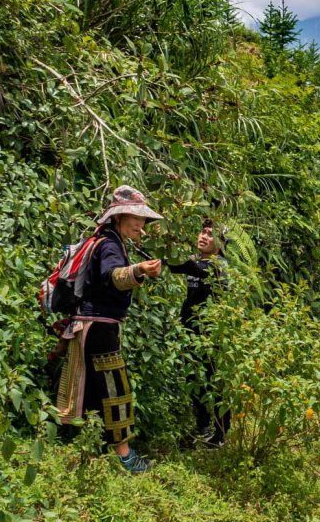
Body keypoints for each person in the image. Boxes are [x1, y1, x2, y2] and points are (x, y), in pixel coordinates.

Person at [55, 185, 163, 474]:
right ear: (117, 217)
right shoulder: (110, 245)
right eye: (133, 216)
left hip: (91, 326)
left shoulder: (106, 240)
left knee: (91, 389)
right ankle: (125, 456)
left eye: (142, 219)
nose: (140, 223)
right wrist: (139, 270)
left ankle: (86, 450)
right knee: (115, 390)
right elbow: (113, 277)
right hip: (99, 327)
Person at [166, 219, 230, 447]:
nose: (203, 237)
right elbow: (174, 266)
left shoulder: (219, 265)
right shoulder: (195, 261)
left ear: (220, 243)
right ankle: (203, 428)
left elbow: (188, 267)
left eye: (210, 234)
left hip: (211, 333)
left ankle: (222, 435)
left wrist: (172, 254)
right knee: (195, 379)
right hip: (190, 330)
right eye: (202, 232)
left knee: (214, 382)